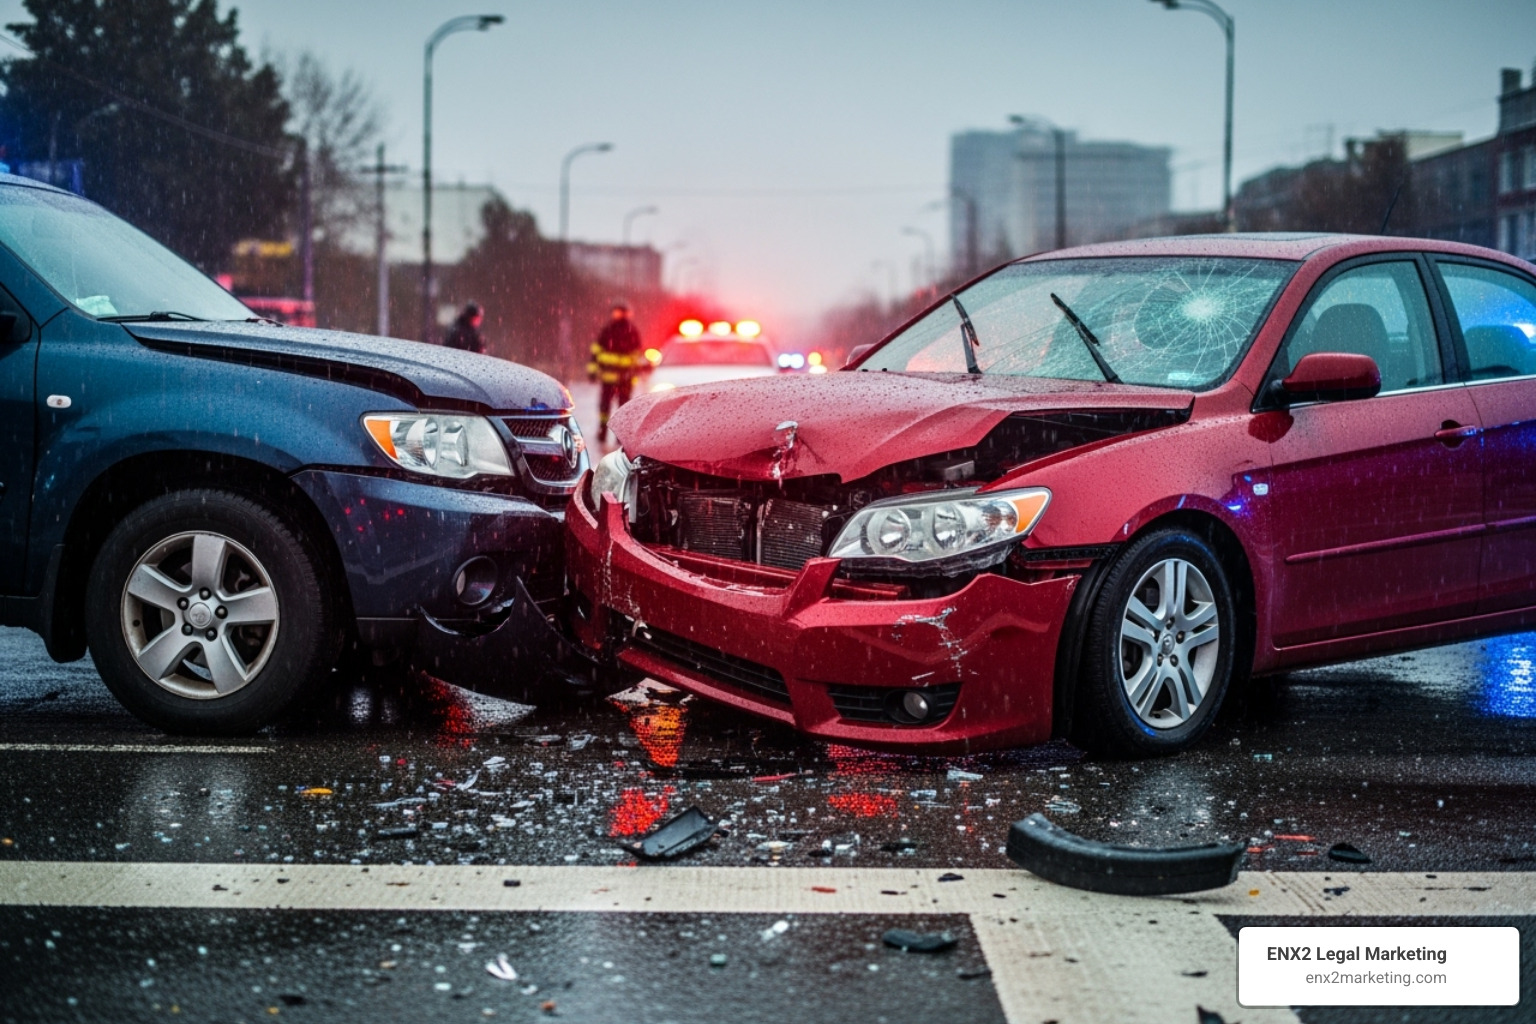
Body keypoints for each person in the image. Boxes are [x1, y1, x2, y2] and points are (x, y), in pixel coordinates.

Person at [588, 302, 644, 442]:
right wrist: (592, 371)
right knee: (605, 407)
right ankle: (603, 432)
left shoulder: (631, 331)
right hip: (609, 378)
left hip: (625, 378)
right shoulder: (607, 330)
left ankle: (621, 436)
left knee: (623, 407)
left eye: (622, 312)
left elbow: (637, 354)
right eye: (617, 311)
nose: (619, 315)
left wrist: (633, 370)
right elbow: (596, 352)